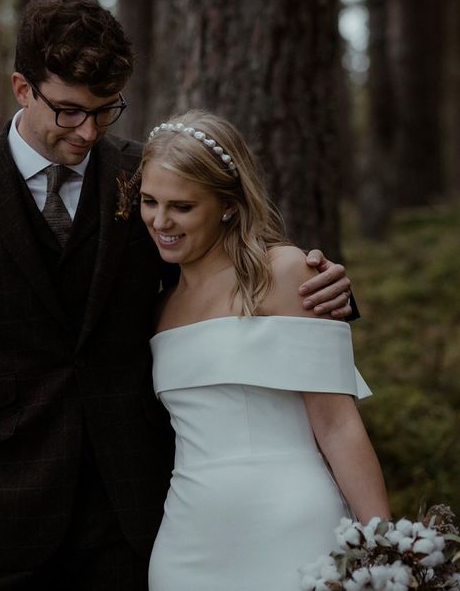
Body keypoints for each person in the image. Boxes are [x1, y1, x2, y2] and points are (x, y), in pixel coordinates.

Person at [0, 0, 355, 591]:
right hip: (1, 510)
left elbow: (232, 266)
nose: (89, 131)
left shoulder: (149, 177)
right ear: (22, 88)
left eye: (106, 111)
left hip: (138, 507)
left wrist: (327, 287)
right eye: (70, 111)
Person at [139, 111, 390, 591]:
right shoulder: (157, 307)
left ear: (229, 205)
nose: (161, 221)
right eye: (150, 201)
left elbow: (338, 425)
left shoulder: (287, 273)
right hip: (187, 537)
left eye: (182, 207)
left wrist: (385, 546)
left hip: (293, 525)